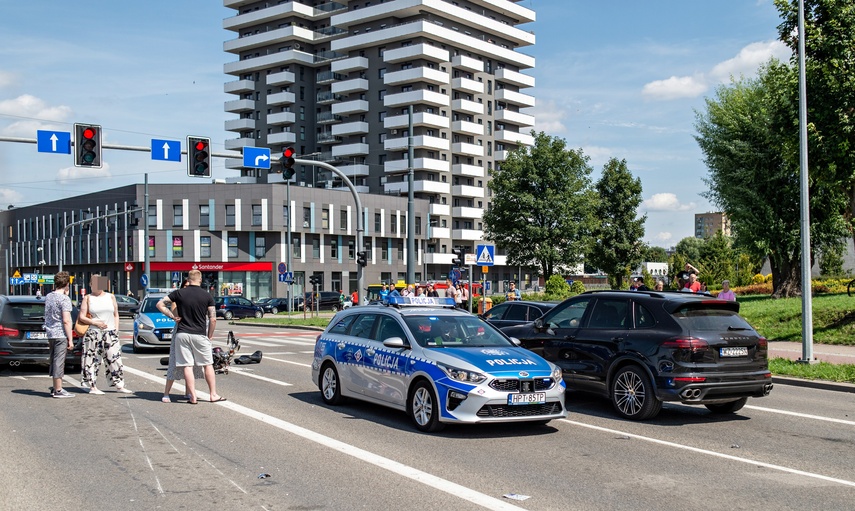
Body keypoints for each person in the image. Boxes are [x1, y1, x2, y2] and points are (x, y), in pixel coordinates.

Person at [157, 269, 224, 404]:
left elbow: (160, 304)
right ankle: (213, 394)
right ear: (200, 280)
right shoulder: (207, 296)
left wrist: (172, 316)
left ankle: (192, 396)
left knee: (187, 365)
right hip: (199, 334)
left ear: (188, 279)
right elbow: (213, 319)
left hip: (182, 333)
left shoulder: (179, 293)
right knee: (208, 364)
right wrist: (210, 335)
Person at [79, 274, 132, 395]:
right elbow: (82, 316)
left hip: (110, 332)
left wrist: (116, 329)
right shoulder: (88, 298)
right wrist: (94, 322)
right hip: (93, 332)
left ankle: (119, 385)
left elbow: (116, 314)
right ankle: (92, 386)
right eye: (94, 283)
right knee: (92, 360)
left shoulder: (110, 297)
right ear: (91, 284)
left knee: (115, 359)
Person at [162, 279, 204, 402]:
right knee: (174, 362)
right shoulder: (177, 298)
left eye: (189, 286)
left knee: (190, 364)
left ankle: (189, 392)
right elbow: (174, 313)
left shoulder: (195, 298)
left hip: (193, 331)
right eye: (185, 286)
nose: (188, 288)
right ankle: (166, 393)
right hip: (181, 330)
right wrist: (173, 315)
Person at [44, 271, 75, 398]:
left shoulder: (49, 296)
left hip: (51, 333)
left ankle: (55, 387)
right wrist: (70, 339)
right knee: (59, 361)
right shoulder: (65, 299)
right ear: (67, 284)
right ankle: (58, 390)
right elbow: (66, 320)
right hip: (60, 333)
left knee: (54, 359)